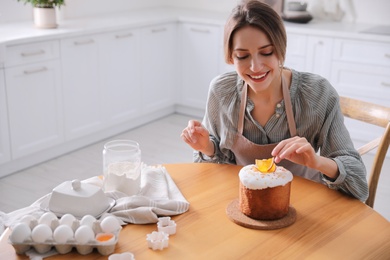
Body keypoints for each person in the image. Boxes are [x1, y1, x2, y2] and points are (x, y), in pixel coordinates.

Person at [180, 0, 368, 202]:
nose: (255, 67)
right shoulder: (222, 92)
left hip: (305, 210)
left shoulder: (317, 94)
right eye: (242, 56)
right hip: (245, 204)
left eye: (266, 52)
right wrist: (206, 146)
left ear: (281, 48)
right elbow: (212, 173)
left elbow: (358, 184)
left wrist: (317, 161)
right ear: (230, 58)